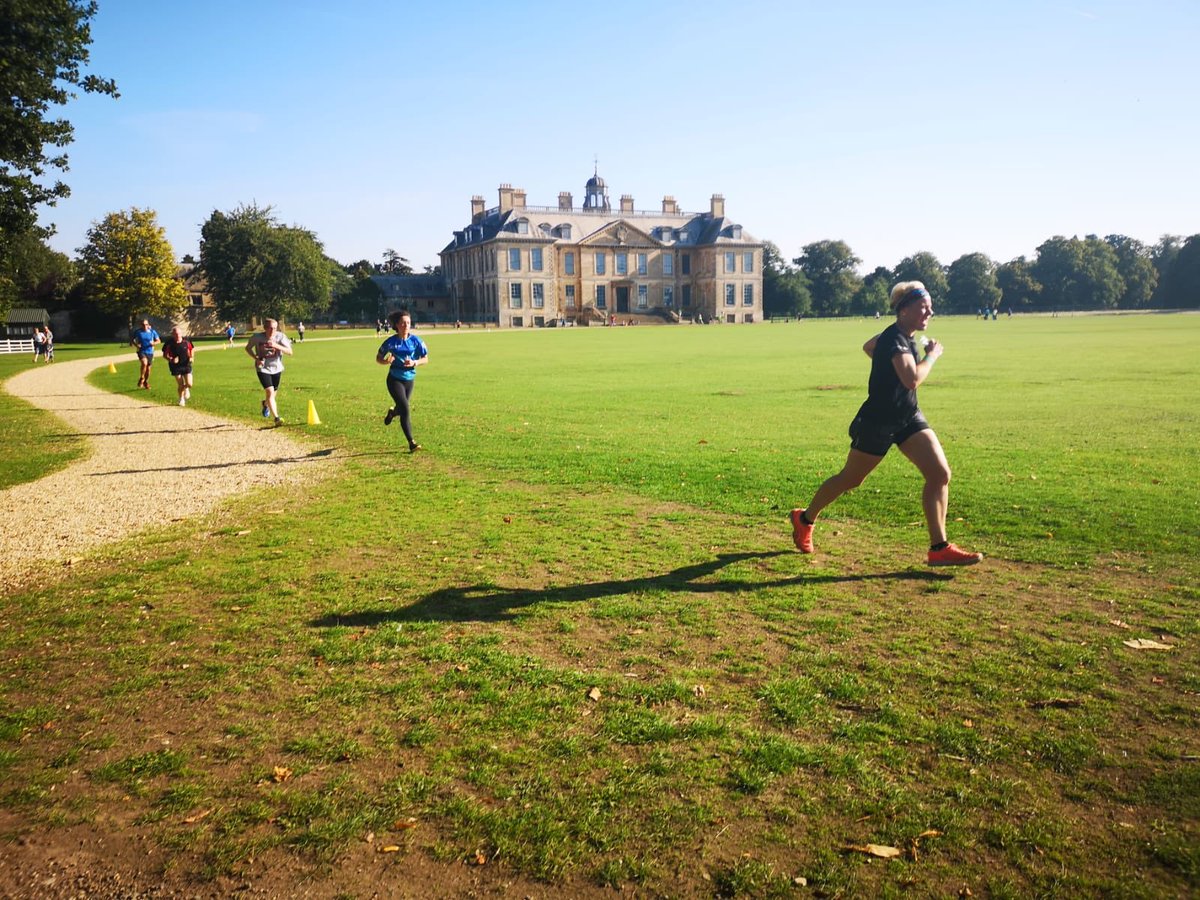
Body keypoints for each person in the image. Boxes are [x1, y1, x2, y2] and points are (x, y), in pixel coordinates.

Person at [790, 281, 983, 567]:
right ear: (903, 310)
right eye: (923, 307)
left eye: (930, 307)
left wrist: (885, 361)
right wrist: (932, 354)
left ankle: (938, 547)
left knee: (940, 474)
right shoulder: (895, 340)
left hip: (908, 417)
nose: (929, 312)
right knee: (850, 479)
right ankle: (804, 519)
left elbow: (869, 346)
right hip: (878, 422)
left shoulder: (901, 337)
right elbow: (912, 379)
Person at [376, 309, 428, 452]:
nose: (406, 325)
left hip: (409, 379)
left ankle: (392, 413)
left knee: (401, 408)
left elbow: (426, 358)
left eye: (408, 323)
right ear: (397, 325)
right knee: (405, 409)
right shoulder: (391, 342)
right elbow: (378, 358)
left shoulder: (416, 341)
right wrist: (386, 361)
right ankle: (411, 442)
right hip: (394, 380)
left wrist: (415, 363)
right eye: (403, 323)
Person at [245, 318, 293, 426]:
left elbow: (290, 352)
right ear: (265, 328)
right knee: (270, 392)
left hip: (277, 368)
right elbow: (248, 348)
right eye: (270, 328)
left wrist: (276, 345)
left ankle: (265, 404)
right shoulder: (257, 338)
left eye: (275, 328)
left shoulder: (280, 337)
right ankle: (277, 418)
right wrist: (256, 358)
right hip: (263, 368)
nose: (273, 331)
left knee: (272, 394)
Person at [162, 326, 195, 406]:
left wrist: (191, 357)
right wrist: (171, 359)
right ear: (172, 335)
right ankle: (181, 399)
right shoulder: (169, 343)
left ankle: (186, 388)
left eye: (179, 334)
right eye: (176, 334)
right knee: (180, 384)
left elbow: (192, 349)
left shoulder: (186, 341)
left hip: (186, 364)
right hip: (175, 366)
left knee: (190, 384)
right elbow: (164, 355)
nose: (178, 336)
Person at [132, 318, 160, 389]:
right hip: (141, 351)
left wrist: (153, 343)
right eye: (143, 324)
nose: (145, 326)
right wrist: (136, 345)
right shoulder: (138, 332)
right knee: (144, 363)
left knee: (148, 369)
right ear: (141, 325)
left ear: (148, 325)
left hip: (150, 352)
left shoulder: (152, 332)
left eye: (146, 324)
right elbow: (132, 340)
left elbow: (159, 340)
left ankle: (146, 382)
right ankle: (141, 377)